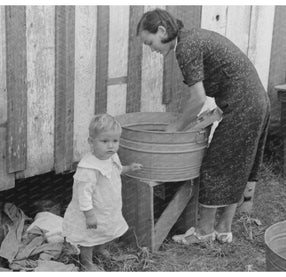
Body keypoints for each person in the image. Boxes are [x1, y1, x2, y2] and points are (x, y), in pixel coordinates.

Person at [137, 9, 270, 245]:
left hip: (243, 104)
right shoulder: (192, 37)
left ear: (161, 31)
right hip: (256, 100)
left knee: (214, 166)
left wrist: (175, 129)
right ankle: (224, 228)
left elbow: (197, 98)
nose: (152, 49)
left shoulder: (185, 47)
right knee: (240, 163)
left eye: (150, 42)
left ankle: (204, 231)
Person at [62, 114, 142, 271]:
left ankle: (100, 249)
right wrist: (89, 214)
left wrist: (128, 168)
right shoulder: (88, 167)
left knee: (106, 229)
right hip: (91, 210)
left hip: (107, 206)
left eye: (115, 141)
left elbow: (115, 171)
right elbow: (83, 194)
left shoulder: (112, 157)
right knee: (88, 237)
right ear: (92, 142)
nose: (111, 146)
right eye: (104, 141)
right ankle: (86, 262)